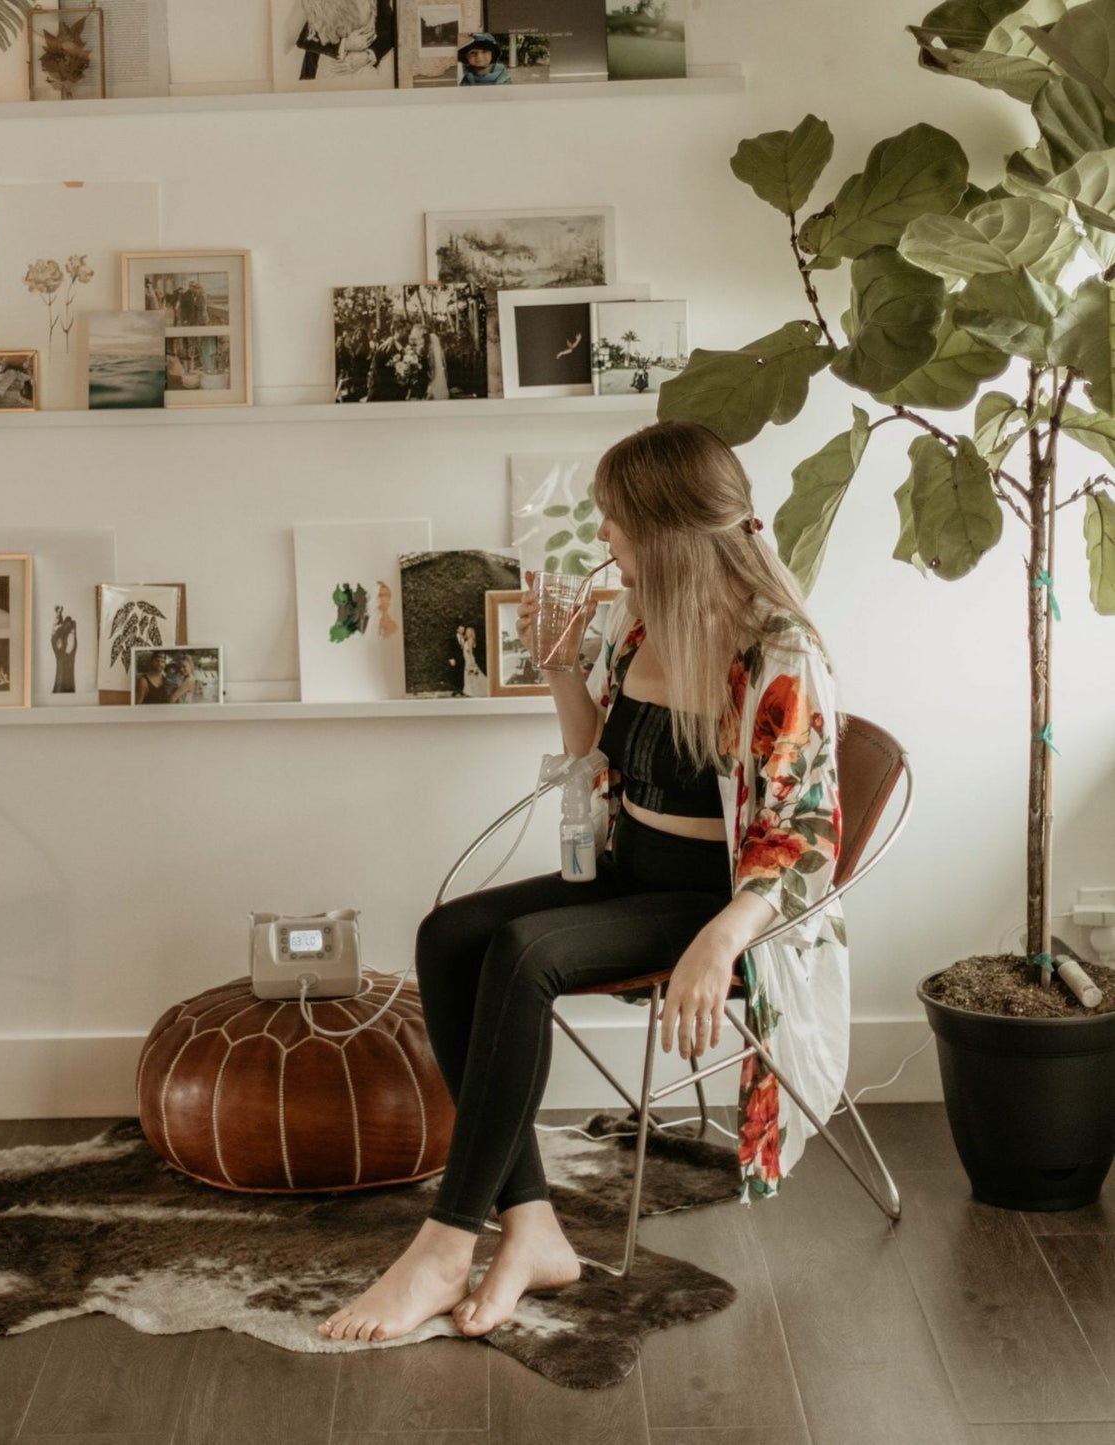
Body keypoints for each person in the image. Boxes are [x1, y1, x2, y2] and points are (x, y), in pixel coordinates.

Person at [319, 420, 845, 1344]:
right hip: (627, 869)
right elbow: (595, 757)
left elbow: (801, 837)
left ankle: (445, 1245)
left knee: (525, 952)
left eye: (616, 518)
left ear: (667, 530)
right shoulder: (639, 619)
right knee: (448, 935)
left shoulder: (776, 651)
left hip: (711, 900)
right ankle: (531, 1225)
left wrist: (720, 938)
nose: (603, 534)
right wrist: (562, 669)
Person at [294, 0, 394, 81]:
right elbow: (301, 37)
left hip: (362, 69)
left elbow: (390, 29)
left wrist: (368, 55)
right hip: (323, 69)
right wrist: (344, 44)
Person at [51, 605, 78, 693]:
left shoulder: (67, 649)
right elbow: (56, 639)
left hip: (66, 690)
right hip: (61, 690)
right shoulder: (60, 650)